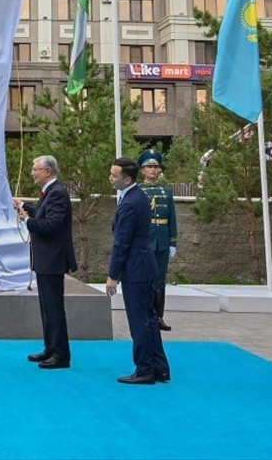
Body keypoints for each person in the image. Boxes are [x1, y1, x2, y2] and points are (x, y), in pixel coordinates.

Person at [105, 156, 170, 385]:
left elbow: (122, 243)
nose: (110, 178)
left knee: (139, 321)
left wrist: (113, 276)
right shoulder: (136, 197)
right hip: (143, 265)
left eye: (114, 175)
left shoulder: (131, 202)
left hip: (136, 269)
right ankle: (159, 368)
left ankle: (144, 369)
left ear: (127, 179)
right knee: (150, 319)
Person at [14, 154, 76, 370]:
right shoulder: (50, 192)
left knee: (54, 307)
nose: (32, 173)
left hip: (53, 259)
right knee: (47, 308)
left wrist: (28, 220)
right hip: (45, 259)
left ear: (48, 171)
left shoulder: (57, 193)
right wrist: (24, 205)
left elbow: (51, 224)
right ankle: (51, 347)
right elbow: (43, 212)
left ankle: (60, 355)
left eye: (35, 169)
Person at [138, 148, 178, 331]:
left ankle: (159, 317)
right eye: (149, 167)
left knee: (159, 280)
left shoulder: (166, 192)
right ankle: (145, 315)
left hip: (161, 241)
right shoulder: (138, 191)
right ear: (142, 171)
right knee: (145, 279)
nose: (153, 170)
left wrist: (172, 242)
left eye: (156, 167)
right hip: (145, 241)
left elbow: (172, 218)